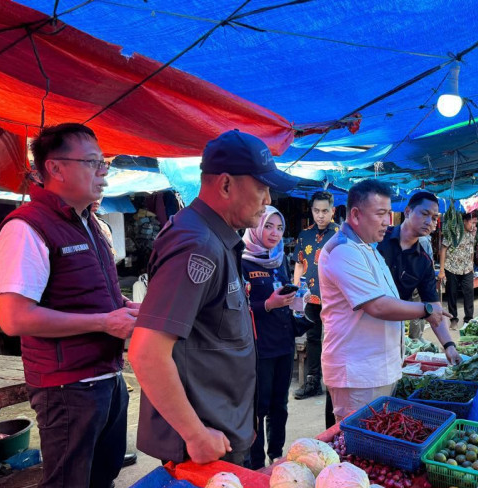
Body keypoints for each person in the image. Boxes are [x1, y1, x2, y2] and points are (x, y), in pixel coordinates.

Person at [129, 130, 298, 466]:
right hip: (207, 445)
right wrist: (195, 434)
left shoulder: (216, 239)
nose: (268, 200)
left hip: (224, 428)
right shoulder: (197, 245)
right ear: (225, 185)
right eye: (261, 188)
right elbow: (147, 352)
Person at [0, 123, 138, 488]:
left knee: (101, 481)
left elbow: (82, 296)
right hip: (67, 387)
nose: (102, 173)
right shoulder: (27, 227)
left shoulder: (90, 223)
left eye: (103, 163)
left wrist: (122, 307)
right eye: (93, 163)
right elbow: (14, 317)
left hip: (106, 375)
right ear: (55, 169)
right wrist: (103, 322)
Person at [319, 179, 452, 421]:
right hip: (359, 373)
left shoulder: (368, 247)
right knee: (356, 447)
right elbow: (378, 306)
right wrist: (425, 308)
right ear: (356, 215)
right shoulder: (344, 250)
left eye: (388, 214)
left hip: (377, 369)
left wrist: (448, 344)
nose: (387, 221)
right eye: (380, 214)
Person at [242, 206, 309, 469]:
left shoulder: (279, 258)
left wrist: (297, 302)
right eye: (268, 226)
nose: (274, 233)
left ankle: (277, 455)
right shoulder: (242, 260)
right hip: (259, 347)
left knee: (280, 404)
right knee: (259, 407)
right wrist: (268, 304)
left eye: (279, 228)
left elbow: (282, 295)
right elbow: (237, 307)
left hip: (283, 342)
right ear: (256, 227)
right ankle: (256, 462)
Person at [377, 191, 462, 365]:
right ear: (407, 211)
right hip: (357, 330)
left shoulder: (423, 262)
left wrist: (449, 346)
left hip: (392, 334)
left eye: (434, 218)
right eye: (424, 214)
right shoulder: (378, 240)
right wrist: (426, 310)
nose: (429, 222)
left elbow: (434, 307)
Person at [292, 191, 340, 404]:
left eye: (325, 211)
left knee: (335, 340)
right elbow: (299, 263)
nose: (320, 215)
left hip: (334, 299)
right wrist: (295, 291)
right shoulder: (304, 235)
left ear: (333, 210)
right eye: (316, 211)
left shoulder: (341, 234)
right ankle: (313, 382)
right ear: (311, 210)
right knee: (313, 339)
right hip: (310, 298)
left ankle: (336, 384)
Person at [439, 211, 478, 328]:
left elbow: (471, 250)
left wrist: (471, 265)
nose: (474, 226)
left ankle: (468, 319)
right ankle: (453, 319)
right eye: (472, 223)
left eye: (476, 223)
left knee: (469, 292)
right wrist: (441, 270)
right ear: (465, 221)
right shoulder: (453, 233)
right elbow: (443, 249)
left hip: (467, 269)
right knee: (452, 293)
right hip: (452, 268)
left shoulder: (472, 234)